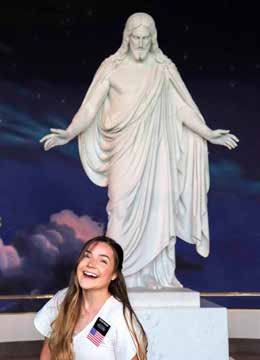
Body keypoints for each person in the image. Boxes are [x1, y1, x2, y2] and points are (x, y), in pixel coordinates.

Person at [40, 13, 239, 288]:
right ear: (128, 37)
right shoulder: (112, 67)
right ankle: (120, 276)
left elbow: (180, 107)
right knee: (120, 208)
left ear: (153, 39)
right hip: (125, 150)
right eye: (137, 38)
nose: (142, 44)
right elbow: (90, 107)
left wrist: (207, 132)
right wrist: (70, 131)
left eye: (147, 38)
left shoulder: (163, 69)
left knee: (160, 208)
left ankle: (156, 275)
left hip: (158, 154)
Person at [34, 236, 147, 360]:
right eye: (87, 256)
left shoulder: (119, 317)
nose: (91, 264)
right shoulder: (62, 299)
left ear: (114, 275)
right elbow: (47, 353)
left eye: (103, 261)